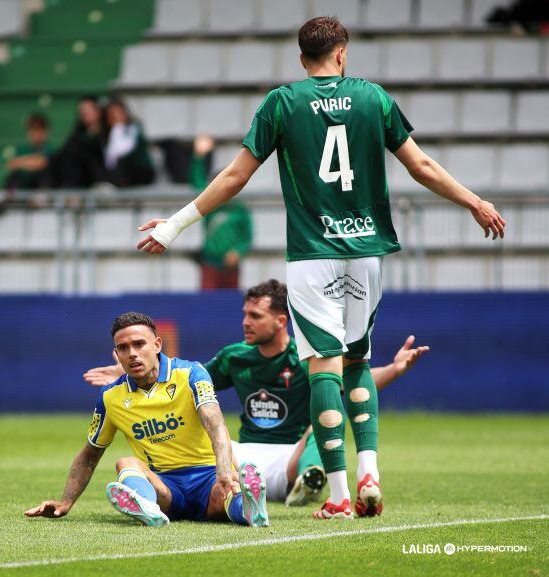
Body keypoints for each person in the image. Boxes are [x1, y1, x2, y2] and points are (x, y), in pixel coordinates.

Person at [135, 16, 505, 519]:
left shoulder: (282, 103)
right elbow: (421, 166)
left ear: (301, 58)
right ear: (342, 52)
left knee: (323, 368)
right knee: (357, 361)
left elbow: (236, 175)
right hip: (366, 253)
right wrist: (474, 202)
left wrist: (175, 225)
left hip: (313, 255)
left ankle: (338, 494)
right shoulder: (373, 98)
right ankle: (369, 468)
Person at [84, 279, 429, 507]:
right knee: (213, 442)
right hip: (243, 456)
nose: (245, 322)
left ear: (281, 322)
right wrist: (130, 369)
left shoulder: (306, 358)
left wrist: (396, 369)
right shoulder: (236, 356)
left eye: (255, 316)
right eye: (245, 314)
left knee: (320, 423)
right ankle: (233, 493)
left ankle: (309, 480)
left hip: (289, 456)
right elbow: (185, 381)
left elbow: (351, 382)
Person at [26, 312, 269, 528]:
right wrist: (65, 502)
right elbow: (90, 454)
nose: (131, 353)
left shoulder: (191, 373)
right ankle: (147, 508)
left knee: (227, 494)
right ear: (117, 354)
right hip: (165, 488)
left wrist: (225, 470)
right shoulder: (111, 397)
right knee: (125, 463)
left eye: (139, 344)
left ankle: (250, 510)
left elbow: (215, 423)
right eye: (123, 348)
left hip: (207, 477)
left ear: (157, 345)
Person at [191, 135, 253, 290]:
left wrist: (237, 251)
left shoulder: (240, 209)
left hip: (231, 266)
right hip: (210, 262)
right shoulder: (210, 205)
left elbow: (247, 236)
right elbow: (197, 181)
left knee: (230, 303)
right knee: (208, 301)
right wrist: (198, 156)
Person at [51, 96, 106, 188]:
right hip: (76, 185)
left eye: (88, 109)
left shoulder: (107, 134)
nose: (84, 113)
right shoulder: (76, 137)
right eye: (82, 110)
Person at [102, 98, 155, 188]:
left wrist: (117, 128)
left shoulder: (133, 127)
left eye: (118, 113)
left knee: (123, 163)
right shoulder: (106, 133)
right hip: (120, 174)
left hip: (140, 171)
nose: (115, 117)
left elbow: (125, 149)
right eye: (111, 114)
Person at [4, 113, 56, 192]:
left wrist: (21, 162)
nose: (36, 133)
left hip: (42, 190)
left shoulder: (51, 149)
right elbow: (11, 165)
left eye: (39, 129)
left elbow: (42, 163)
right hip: (23, 188)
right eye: (32, 129)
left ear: (46, 131)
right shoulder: (21, 149)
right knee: (13, 178)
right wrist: (32, 161)